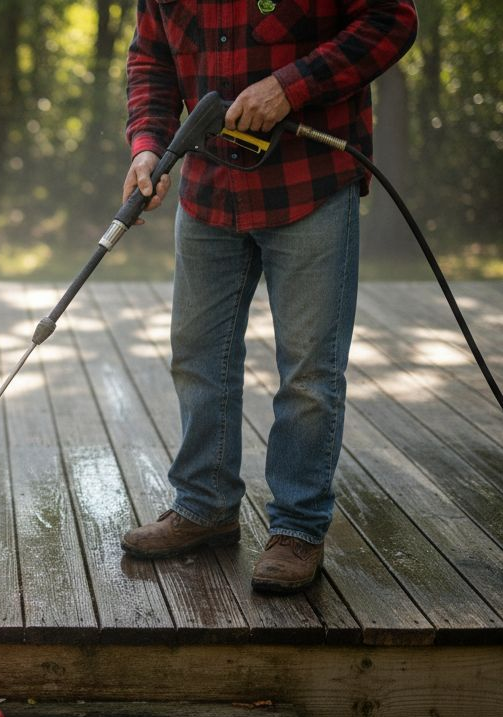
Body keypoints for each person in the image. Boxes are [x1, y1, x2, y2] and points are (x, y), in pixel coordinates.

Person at [118, 0, 418, 593]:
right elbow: (150, 58)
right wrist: (148, 145)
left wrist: (289, 87)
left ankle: (299, 529)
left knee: (309, 370)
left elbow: (392, 20)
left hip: (308, 182)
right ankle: (204, 507)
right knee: (198, 355)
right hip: (208, 189)